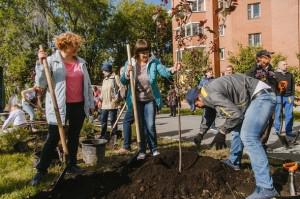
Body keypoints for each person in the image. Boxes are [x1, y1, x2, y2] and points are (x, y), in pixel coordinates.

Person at [186, 74, 278, 199]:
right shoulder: (207, 93)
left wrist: (222, 132)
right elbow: (209, 113)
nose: (197, 108)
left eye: (196, 105)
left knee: (249, 136)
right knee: (237, 129)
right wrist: (201, 133)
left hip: (262, 96)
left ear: (198, 97)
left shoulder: (211, 94)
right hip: (254, 98)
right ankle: (234, 161)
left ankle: (266, 188)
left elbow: (236, 115)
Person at [31, 32, 94, 185]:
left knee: (74, 136)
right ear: (64, 45)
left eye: (77, 45)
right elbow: (41, 83)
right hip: (59, 106)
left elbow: (88, 85)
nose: (76, 48)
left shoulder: (81, 62)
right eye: (74, 45)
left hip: (79, 105)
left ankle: (72, 164)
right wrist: (40, 63)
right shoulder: (51, 61)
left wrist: (90, 103)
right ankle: (41, 170)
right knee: (53, 137)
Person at [120, 39, 180, 159]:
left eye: (147, 52)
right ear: (137, 53)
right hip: (136, 101)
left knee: (150, 125)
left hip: (150, 99)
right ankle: (142, 150)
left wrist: (173, 69)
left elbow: (165, 72)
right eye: (143, 53)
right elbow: (123, 81)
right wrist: (127, 73)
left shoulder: (154, 62)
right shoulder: (130, 63)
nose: (145, 55)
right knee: (141, 126)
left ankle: (154, 149)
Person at [246, 50, 277, 148]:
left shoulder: (271, 70)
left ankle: (263, 142)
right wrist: (257, 67)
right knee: (257, 122)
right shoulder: (253, 70)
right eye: (265, 57)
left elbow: (274, 84)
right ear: (259, 59)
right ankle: (256, 143)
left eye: (268, 57)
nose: (267, 59)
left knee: (269, 122)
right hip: (257, 100)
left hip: (270, 99)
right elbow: (247, 79)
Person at [274, 61, 297, 141]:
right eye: (284, 64)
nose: (286, 65)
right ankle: (277, 130)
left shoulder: (290, 75)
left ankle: (289, 131)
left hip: (289, 97)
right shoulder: (275, 75)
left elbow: (293, 85)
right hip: (279, 96)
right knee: (278, 115)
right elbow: (273, 86)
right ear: (279, 66)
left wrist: (293, 95)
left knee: (289, 115)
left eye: (286, 64)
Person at [98, 63, 121, 139]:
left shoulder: (115, 77)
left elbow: (122, 87)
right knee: (103, 120)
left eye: (103, 71)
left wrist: (118, 98)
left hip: (112, 104)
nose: (102, 72)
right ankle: (103, 135)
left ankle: (114, 135)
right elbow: (102, 92)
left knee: (113, 121)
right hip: (104, 104)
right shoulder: (104, 80)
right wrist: (100, 100)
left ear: (107, 70)